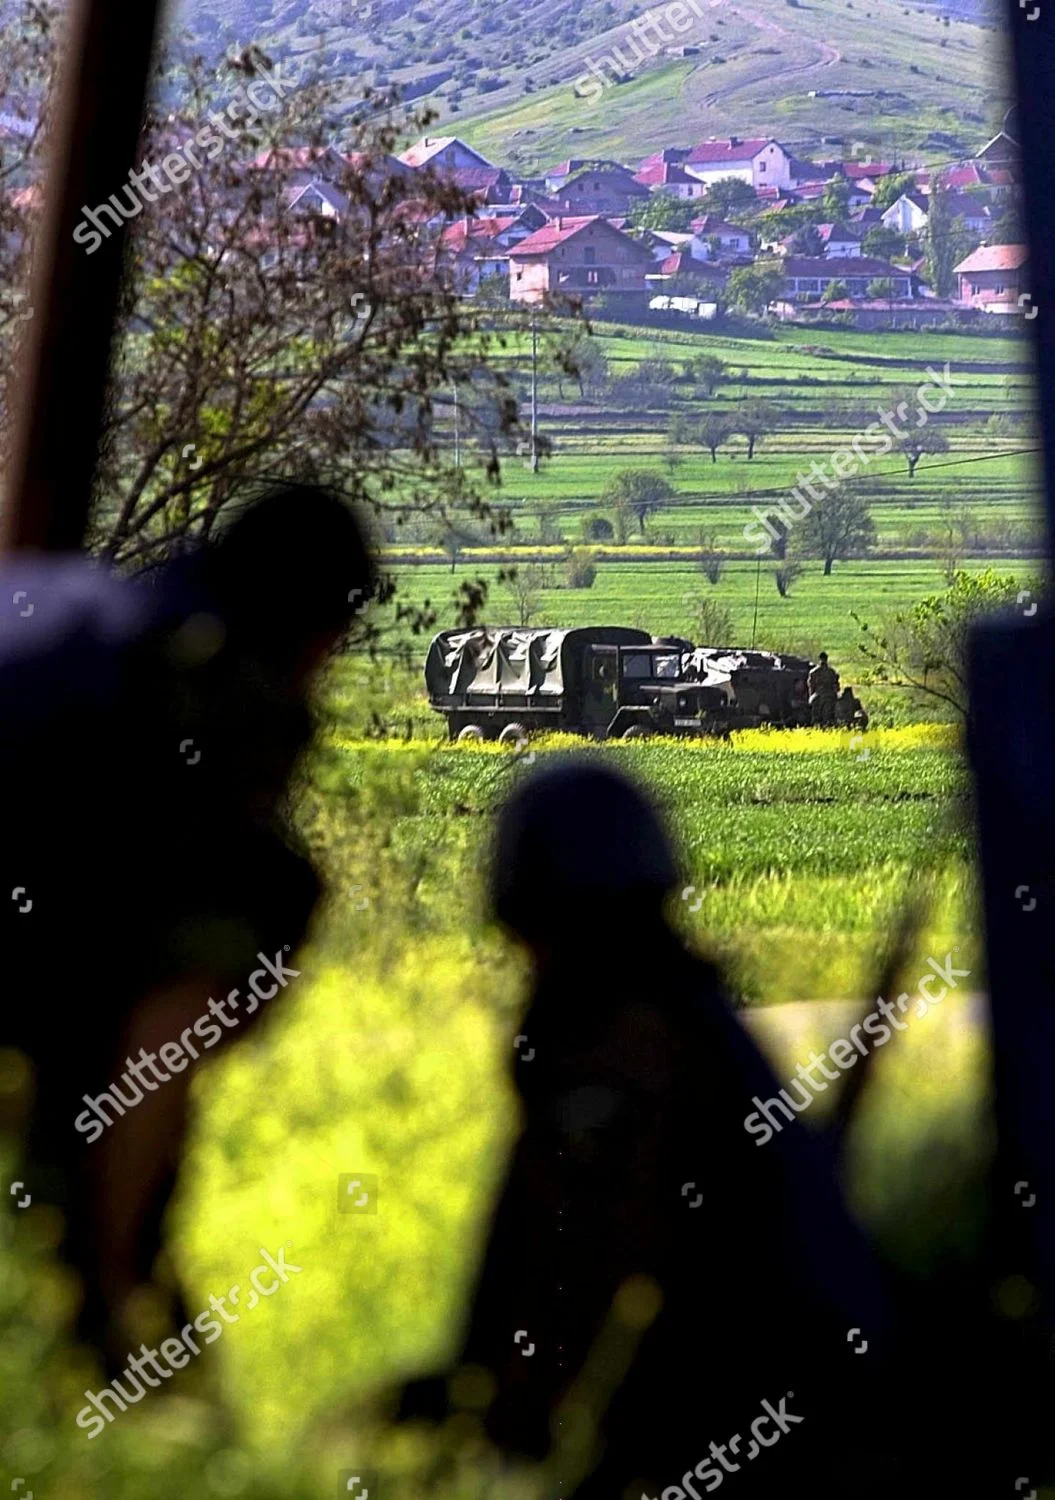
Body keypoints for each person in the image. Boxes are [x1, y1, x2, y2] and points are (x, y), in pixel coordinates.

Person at [398, 761, 895, 1498]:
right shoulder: (684, 1016)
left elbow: (586, 1238)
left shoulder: (626, 1046)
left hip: (767, 1415)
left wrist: (511, 1413)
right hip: (809, 1395)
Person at [0, 483, 374, 1373]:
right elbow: (147, 1051)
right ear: (316, 632)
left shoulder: (76, 604)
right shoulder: (203, 692)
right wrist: (111, 1305)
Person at [807, 650, 840, 727]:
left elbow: (811, 686)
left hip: (818, 695)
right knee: (829, 717)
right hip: (830, 695)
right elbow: (836, 686)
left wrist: (810, 697)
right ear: (826, 659)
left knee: (816, 717)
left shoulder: (813, 672)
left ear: (819, 659)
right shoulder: (832, 672)